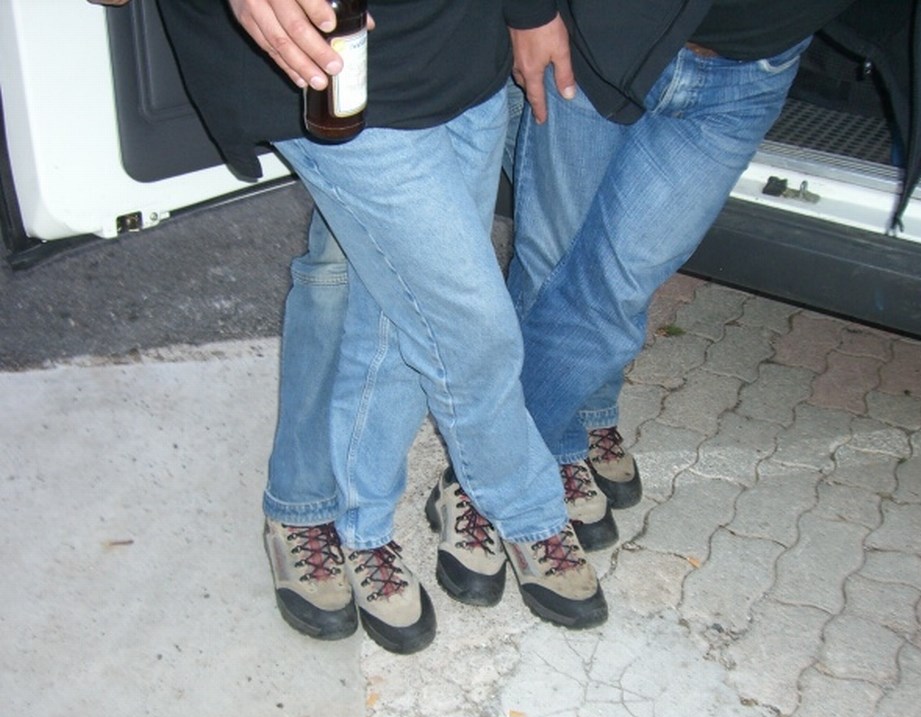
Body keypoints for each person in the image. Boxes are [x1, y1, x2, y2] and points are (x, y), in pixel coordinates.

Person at [124, 0, 610, 654]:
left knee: (394, 309)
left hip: (463, 55)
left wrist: (528, 9)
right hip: (334, 73)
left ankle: (360, 527)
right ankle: (528, 512)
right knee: (471, 330)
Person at [497, 0, 921, 522]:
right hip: (601, 37)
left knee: (615, 284)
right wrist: (531, 13)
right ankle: (557, 437)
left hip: (750, 70)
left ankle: (503, 466)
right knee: (552, 261)